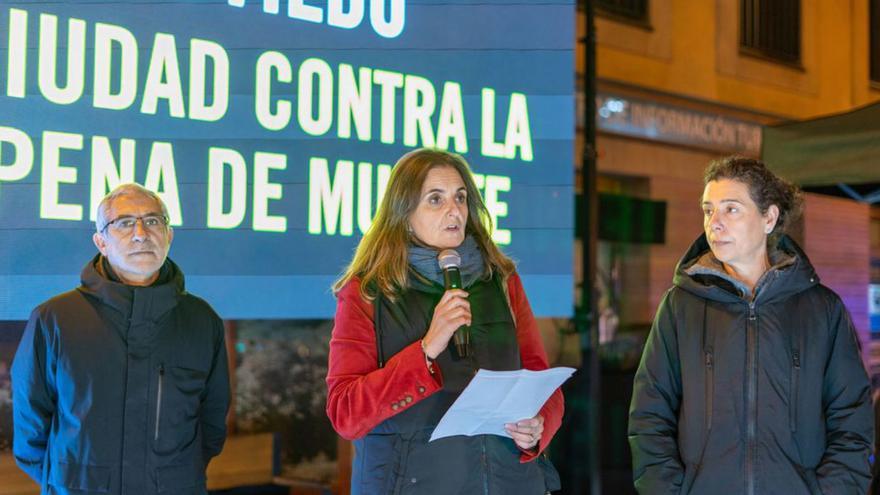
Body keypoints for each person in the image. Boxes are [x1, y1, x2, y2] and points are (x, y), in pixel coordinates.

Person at [628, 157, 873, 494]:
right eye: (708, 209)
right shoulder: (679, 306)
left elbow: (852, 421)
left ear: (769, 218)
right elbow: (649, 417)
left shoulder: (821, 310)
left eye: (731, 209)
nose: (714, 223)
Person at [325, 148, 564, 494]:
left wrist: (540, 423)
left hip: (510, 482)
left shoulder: (501, 279)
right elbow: (346, 413)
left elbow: (541, 381)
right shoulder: (367, 293)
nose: (454, 210)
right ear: (404, 214)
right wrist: (426, 349)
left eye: (461, 197)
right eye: (435, 199)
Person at [12, 183, 230, 495]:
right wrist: (70, 479)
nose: (141, 233)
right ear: (101, 241)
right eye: (125, 223)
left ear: (169, 235)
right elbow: (30, 426)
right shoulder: (56, 319)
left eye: (153, 221)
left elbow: (212, 423)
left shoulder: (201, 320)